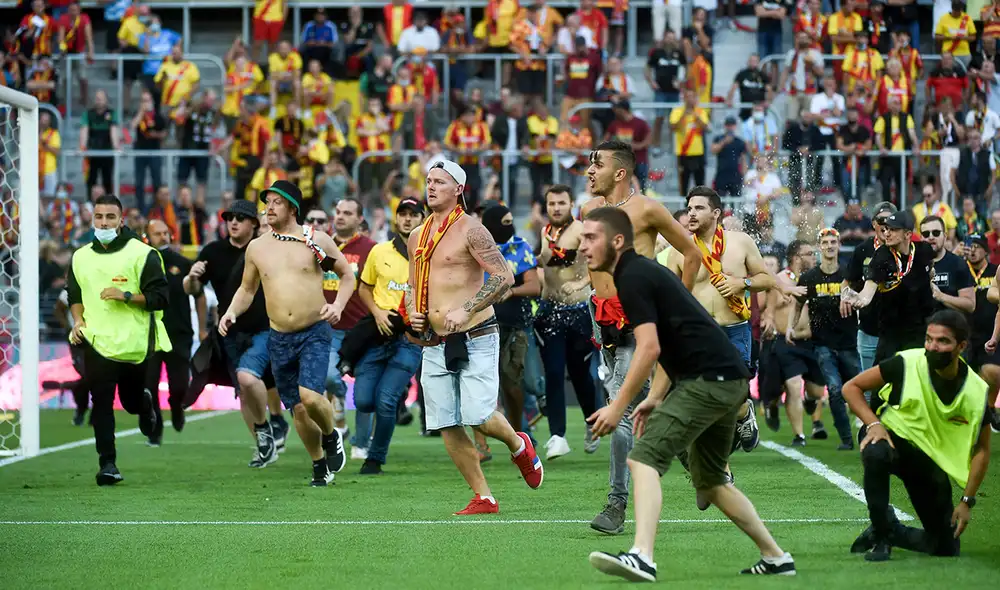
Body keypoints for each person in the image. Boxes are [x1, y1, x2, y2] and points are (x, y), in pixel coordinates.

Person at [581, 207, 796, 581]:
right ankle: (776, 556)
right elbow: (665, 344)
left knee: (643, 457)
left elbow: (647, 349)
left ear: (617, 242)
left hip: (709, 380)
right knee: (711, 482)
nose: (582, 246)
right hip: (728, 379)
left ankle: (642, 556)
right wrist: (653, 397)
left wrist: (618, 407)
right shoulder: (640, 273)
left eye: (590, 238)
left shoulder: (631, 277)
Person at [579, 144, 709, 532]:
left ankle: (615, 505)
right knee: (654, 409)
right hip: (605, 326)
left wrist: (673, 308)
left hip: (640, 324)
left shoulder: (648, 209)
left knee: (619, 409)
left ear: (620, 173)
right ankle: (701, 465)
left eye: (597, 165)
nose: (589, 171)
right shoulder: (588, 210)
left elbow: (691, 253)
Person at [406, 160, 544, 515]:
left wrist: (467, 308)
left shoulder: (472, 229)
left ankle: (519, 444)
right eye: (428, 180)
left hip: (476, 332)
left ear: (458, 190)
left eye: (439, 181)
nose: (431, 186)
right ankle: (484, 496)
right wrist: (412, 311)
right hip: (435, 340)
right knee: (445, 422)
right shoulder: (416, 235)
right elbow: (411, 285)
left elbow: (503, 277)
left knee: (479, 415)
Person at [221, 180, 351, 486]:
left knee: (310, 396)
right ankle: (319, 464)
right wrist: (230, 312)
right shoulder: (257, 247)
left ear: (292, 207)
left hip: (314, 331)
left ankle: (332, 437)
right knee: (299, 412)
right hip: (279, 337)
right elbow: (247, 289)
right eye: (267, 202)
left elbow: (347, 275)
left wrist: (339, 306)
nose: (269, 207)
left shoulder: (315, 239)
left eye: (276, 202)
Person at [843, 311, 991, 562]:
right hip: (891, 437)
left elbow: (982, 449)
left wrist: (966, 501)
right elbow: (851, 388)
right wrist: (874, 424)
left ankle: (891, 530)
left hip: (927, 459)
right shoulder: (907, 362)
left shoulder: (976, 392)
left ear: (961, 346)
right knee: (876, 450)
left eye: (943, 341)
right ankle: (880, 533)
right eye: (929, 339)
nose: (932, 347)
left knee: (945, 548)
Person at [67, 194, 170, 485]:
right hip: (96, 342)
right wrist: (78, 321)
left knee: (131, 402)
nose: (104, 222)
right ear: (92, 219)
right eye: (99, 217)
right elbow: (74, 295)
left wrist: (125, 296)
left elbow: (161, 298)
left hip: (133, 344)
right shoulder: (80, 256)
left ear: (121, 220)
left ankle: (144, 403)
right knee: (100, 401)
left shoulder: (143, 254)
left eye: (110, 217)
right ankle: (107, 464)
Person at [184, 199, 288, 468]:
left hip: (267, 328)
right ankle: (263, 442)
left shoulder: (268, 249)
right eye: (229, 217)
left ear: (254, 224)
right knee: (244, 388)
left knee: (265, 382)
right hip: (230, 332)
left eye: (240, 218)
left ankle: (275, 420)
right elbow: (192, 290)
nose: (233, 222)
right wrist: (192, 278)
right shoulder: (212, 252)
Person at [352, 198, 424, 475]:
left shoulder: (429, 256)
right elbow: (364, 288)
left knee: (385, 400)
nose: (407, 219)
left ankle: (375, 458)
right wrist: (377, 313)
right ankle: (397, 395)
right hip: (376, 333)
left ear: (422, 219)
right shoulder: (378, 251)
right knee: (363, 401)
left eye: (413, 215)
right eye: (402, 214)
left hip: (409, 338)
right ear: (396, 220)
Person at [537, 185, 601, 460]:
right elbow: (547, 267)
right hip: (551, 311)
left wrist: (581, 283)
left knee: (580, 374)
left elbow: (598, 264)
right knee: (552, 372)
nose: (556, 208)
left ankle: (591, 422)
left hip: (578, 312)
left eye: (562, 203)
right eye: (552, 204)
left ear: (571, 204)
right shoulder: (544, 232)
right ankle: (557, 436)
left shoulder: (583, 231)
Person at [789, 228, 858, 449]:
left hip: (849, 342)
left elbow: (864, 300)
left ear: (839, 245)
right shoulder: (810, 278)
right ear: (819, 247)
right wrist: (790, 327)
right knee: (835, 390)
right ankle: (847, 439)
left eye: (833, 242)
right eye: (825, 242)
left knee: (857, 390)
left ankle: (868, 430)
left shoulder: (849, 274)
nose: (829, 245)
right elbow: (798, 303)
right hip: (822, 344)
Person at [320, 200, 377, 458]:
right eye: (338, 212)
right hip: (329, 327)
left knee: (365, 388)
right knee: (329, 378)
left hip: (361, 329)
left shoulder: (371, 249)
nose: (340, 217)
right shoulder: (321, 246)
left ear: (360, 219)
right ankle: (339, 403)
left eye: (347, 213)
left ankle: (362, 443)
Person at [481, 203, 540, 442]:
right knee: (488, 387)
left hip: (516, 324)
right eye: (503, 223)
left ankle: (523, 430)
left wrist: (511, 292)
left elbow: (535, 286)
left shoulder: (520, 247)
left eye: (510, 222)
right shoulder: (476, 251)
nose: (509, 227)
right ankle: (512, 439)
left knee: (519, 384)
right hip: (482, 326)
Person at [760, 240, 828, 445]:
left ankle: (810, 400)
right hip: (786, 342)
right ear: (796, 258)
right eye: (809, 253)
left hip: (811, 341)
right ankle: (799, 434)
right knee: (792, 384)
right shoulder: (780, 281)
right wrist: (768, 322)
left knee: (816, 391)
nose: (813, 257)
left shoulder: (816, 279)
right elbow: (768, 309)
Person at [144, 218, 205, 445]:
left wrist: (202, 328)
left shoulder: (182, 263)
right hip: (149, 335)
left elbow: (199, 296)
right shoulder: (140, 264)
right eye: (157, 233)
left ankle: (177, 407)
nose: (163, 237)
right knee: (148, 387)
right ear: (147, 237)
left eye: (165, 233)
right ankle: (155, 429)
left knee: (179, 385)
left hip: (179, 333)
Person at [852, 211, 936, 363]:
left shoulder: (924, 250)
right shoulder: (881, 256)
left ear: (907, 234)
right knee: (882, 381)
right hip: (891, 332)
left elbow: (931, 270)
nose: (887, 234)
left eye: (893, 230)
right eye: (885, 229)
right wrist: (859, 300)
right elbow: (868, 290)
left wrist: (931, 284)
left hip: (920, 329)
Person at [845, 201, 897, 390]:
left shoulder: (906, 250)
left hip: (896, 329)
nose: (885, 225)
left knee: (895, 384)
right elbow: (848, 281)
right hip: (869, 327)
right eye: (881, 220)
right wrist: (845, 296)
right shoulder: (862, 250)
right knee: (868, 384)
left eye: (890, 220)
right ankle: (868, 420)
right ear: (874, 224)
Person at [920, 215, 976, 314]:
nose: (931, 237)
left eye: (936, 233)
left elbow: (970, 305)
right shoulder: (913, 264)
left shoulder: (958, 263)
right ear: (921, 238)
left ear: (945, 236)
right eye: (926, 234)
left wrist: (941, 296)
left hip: (950, 326)